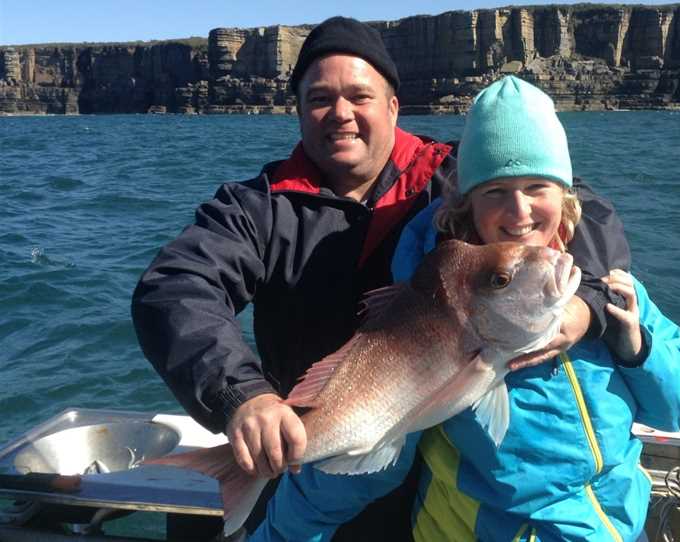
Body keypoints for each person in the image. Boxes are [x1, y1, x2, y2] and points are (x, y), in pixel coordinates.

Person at [131, 17, 631, 539]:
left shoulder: (453, 178)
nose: (341, 114)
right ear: (298, 109)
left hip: (431, 472)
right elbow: (175, 287)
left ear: (393, 105)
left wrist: (587, 304)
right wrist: (242, 395)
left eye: (360, 96)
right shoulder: (255, 206)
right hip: (310, 462)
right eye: (320, 98)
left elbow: (582, 209)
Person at [251, 76, 680, 541]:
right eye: (495, 192)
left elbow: (676, 409)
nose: (519, 210)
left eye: (537, 186)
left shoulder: (612, 291)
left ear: (567, 195)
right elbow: (371, 451)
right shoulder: (446, 316)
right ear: (468, 205)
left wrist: (637, 347)